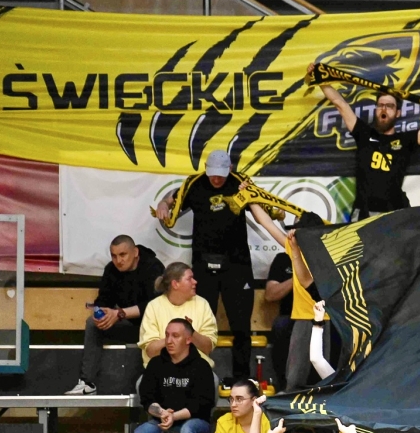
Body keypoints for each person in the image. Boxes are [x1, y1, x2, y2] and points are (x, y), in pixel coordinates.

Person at [309, 65, 420, 219]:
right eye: (380, 105)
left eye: (389, 106)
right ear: (376, 110)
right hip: (363, 214)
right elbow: (339, 103)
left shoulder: (406, 140)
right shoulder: (364, 133)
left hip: (393, 216)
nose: (384, 109)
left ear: (397, 113)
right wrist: (319, 77)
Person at [154, 150, 254, 384]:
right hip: (203, 264)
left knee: (241, 325)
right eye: (212, 174)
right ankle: (196, 373)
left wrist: (256, 198)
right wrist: (163, 203)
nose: (216, 179)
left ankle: (242, 378)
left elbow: (265, 207)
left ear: (230, 169)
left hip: (237, 264)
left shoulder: (241, 183)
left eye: (221, 174)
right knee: (197, 323)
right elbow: (171, 197)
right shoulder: (195, 184)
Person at [66, 236, 165, 396]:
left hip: (155, 329)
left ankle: (157, 384)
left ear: (135, 252)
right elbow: (103, 300)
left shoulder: (153, 267)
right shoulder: (111, 270)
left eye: (123, 255)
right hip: (130, 326)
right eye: (114, 256)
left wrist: (119, 314)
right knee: (92, 323)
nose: (118, 261)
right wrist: (100, 314)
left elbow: (156, 305)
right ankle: (87, 383)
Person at [249, 205, 329, 391]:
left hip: (325, 318)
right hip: (305, 317)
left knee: (324, 374)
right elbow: (267, 223)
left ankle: (321, 404)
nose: (295, 235)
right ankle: (292, 401)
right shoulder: (295, 250)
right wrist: (251, 199)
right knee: (296, 373)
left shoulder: (325, 254)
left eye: (299, 231)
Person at [132, 319, 215, 433]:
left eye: (175, 336)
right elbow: (147, 398)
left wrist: (174, 416)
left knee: (187, 430)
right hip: (162, 421)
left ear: (188, 339)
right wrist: (162, 413)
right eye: (167, 335)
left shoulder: (201, 366)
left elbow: (203, 403)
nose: (169, 341)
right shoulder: (155, 364)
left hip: (195, 422)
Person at [137, 262, 218, 369]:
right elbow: (151, 351)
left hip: (196, 370)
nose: (195, 281)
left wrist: (190, 332)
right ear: (175, 284)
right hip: (161, 370)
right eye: (189, 279)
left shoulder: (202, 304)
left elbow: (208, 348)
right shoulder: (154, 306)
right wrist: (175, 337)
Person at [264, 250, 296, 388]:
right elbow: (270, 295)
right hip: (290, 316)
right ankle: (283, 385)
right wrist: (297, 278)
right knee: (280, 325)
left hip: (319, 316)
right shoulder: (284, 259)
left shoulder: (322, 258)